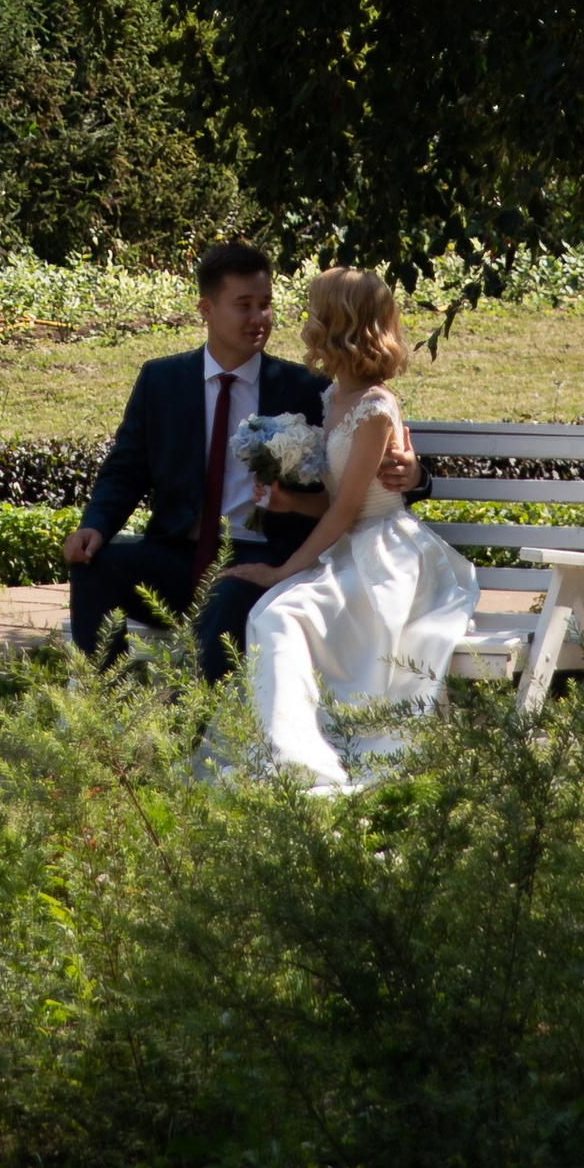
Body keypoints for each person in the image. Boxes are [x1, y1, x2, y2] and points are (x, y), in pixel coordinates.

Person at [63, 239, 418, 684]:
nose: (259, 319)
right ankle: (104, 711)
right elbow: (126, 467)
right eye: (244, 305)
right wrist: (95, 525)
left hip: (264, 554)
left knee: (230, 596)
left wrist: (415, 474)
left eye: (266, 305)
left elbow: (372, 460)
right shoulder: (162, 380)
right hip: (179, 554)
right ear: (206, 309)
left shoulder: (308, 387)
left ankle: (202, 735)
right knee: (96, 566)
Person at [224, 264, 480, 791]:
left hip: (384, 558)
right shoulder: (333, 397)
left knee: (280, 609)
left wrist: (282, 572)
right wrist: (287, 499)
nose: (304, 319)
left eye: (314, 309)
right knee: (275, 618)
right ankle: (289, 753)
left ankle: (309, 762)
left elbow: (348, 513)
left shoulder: (376, 407)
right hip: (349, 547)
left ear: (337, 323)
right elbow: (336, 504)